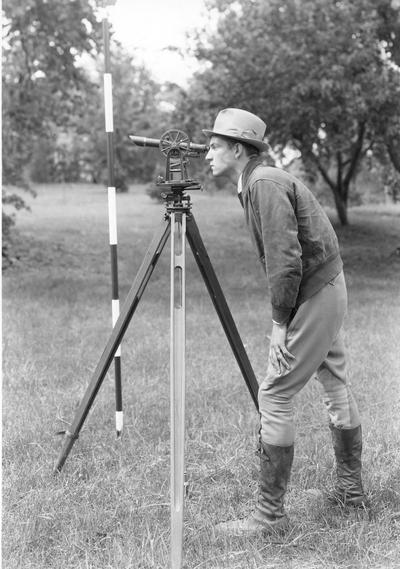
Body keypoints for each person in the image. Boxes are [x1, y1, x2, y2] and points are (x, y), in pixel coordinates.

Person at [202, 108, 367, 535]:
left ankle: (269, 516)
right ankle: (352, 495)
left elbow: (285, 259)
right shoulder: (258, 180)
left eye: (216, 146)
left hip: (316, 288)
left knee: (274, 393)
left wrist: (280, 325)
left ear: (238, 148)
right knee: (334, 381)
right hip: (325, 284)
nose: (207, 153)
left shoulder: (264, 183)